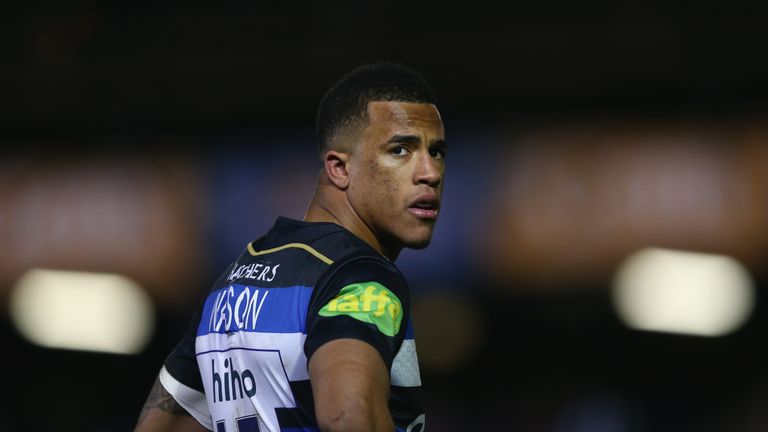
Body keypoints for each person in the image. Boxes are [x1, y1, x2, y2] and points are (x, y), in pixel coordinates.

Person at [134, 61, 446, 432]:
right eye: (400, 150)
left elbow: (159, 424)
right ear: (339, 169)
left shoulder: (231, 285)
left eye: (437, 151)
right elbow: (348, 417)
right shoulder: (358, 276)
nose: (430, 172)